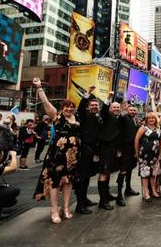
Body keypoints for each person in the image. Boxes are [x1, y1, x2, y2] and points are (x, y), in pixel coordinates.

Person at [33, 77, 80, 224]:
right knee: (55, 182)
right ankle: (54, 209)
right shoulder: (57, 116)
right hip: (57, 155)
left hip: (72, 155)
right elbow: (46, 103)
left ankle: (66, 208)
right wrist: (39, 88)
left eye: (71, 106)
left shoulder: (77, 118)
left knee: (68, 182)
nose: (69, 109)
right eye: (67, 106)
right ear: (62, 108)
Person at [75, 86, 100, 214]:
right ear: (89, 106)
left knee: (88, 177)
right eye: (93, 105)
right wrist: (87, 93)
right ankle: (80, 205)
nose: (95, 107)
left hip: (92, 152)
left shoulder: (97, 117)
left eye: (96, 105)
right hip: (84, 150)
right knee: (82, 178)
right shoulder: (85, 115)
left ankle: (84, 199)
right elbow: (80, 108)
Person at [97, 91, 124, 210]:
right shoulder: (107, 115)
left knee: (107, 173)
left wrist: (118, 150)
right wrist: (109, 98)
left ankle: (106, 195)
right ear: (111, 108)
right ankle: (102, 201)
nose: (117, 109)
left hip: (113, 149)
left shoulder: (119, 118)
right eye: (114, 107)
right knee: (103, 173)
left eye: (118, 107)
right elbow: (103, 111)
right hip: (105, 149)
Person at [135, 112, 161, 201]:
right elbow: (136, 140)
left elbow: (160, 142)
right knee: (145, 174)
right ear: (147, 120)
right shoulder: (143, 128)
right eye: (149, 118)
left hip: (155, 155)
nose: (151, 120)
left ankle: (153, 190)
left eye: (153, 118)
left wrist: (160, 154)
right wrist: (137, 152)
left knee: (153, 174)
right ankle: (146, 193)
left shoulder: (157, 129)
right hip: (144, 155)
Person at [120, 104, 140, 198]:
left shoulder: (135, 120)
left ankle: (128, 189)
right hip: (125, 148)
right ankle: (119, 195)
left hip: (133, 149)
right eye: (131, 110)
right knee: (123, 170)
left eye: (134, 110)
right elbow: (120, 119)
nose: (133, 112)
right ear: (128, 110)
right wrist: (122, 111)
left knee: (130, 169)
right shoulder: (125, 118)